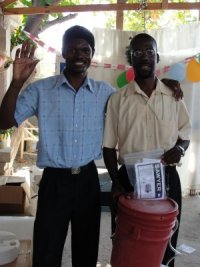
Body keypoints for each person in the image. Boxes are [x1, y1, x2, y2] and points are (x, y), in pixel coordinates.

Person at [0, 25, 184, 267]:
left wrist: (162, 85)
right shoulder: (41, 90)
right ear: (64, 53)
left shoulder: (105, 93)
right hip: (54, 183)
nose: (79, 55)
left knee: (86, 253)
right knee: (46, 252)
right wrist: (16, 83)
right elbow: (4, 122)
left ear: (92, 54)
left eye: (84, 49)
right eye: (72, 49)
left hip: (88, 181)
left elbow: (136, 99)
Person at [103, 33, 191, 267]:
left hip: (168, 179)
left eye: (149, 52)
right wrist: (116, 182)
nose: (144, 57)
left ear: (157, 57)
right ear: (130, 58)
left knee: (165, 242)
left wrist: (180, 150)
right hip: (129, 179)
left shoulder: (173, 96)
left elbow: (185, 134)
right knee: (128, 243)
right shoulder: (118, 99)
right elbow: (109, 146)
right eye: (138, 52)